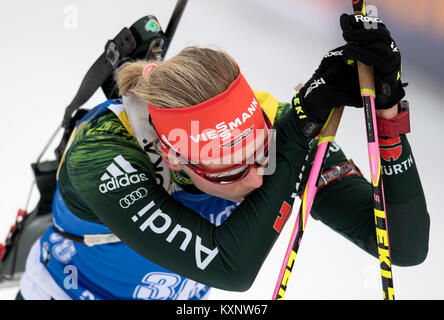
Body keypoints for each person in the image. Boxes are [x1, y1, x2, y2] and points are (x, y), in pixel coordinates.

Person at [16, 14, 429, 300]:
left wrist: (388, 109)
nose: (254, 179)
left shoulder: (278, 125)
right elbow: (231, 267)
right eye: (228, 167)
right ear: (172, 155)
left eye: (259, 154)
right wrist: (293, 139)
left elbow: (403, 246)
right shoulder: (103, 150)